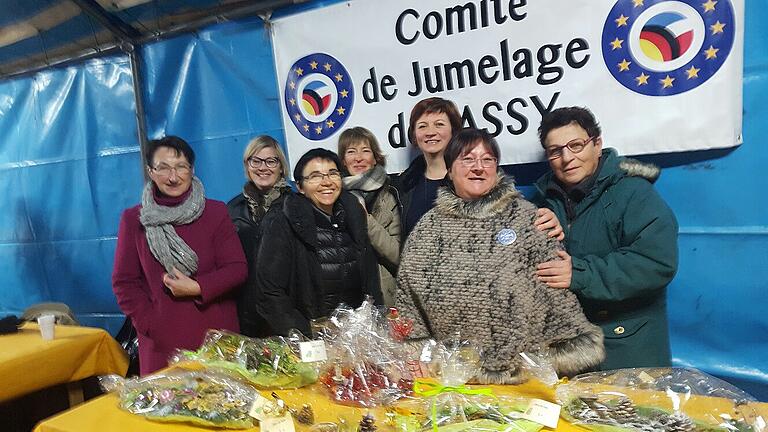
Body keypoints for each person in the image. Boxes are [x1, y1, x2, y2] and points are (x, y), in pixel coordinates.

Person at [396, 128, 604, 384]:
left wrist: (557, 352)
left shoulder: (529, 218)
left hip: (525, 375)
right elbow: (407, 294)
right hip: (453, 376)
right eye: (467, 159)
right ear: (450, 170)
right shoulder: (428, 228)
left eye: (487, 159)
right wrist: (417, 351)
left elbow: (555, 292)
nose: (478, 167)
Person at [533, 106, 678, 370]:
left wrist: (578, 274)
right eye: (556, 151)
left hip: (627, 349)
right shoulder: (543, 202)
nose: (567, 158)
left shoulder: (634, 193)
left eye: (576, 145)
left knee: (632, 411)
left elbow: (655, 262)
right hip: (568, 348)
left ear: (597, 144)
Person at [112, 136, 247, 375]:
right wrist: (151, 324)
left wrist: (198, 288)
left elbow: (237, 269)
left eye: (180, 167)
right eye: (163, 168)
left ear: (192, 170)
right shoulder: (135, 219)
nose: (173, 177)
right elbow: (125, 282)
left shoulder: (215, 212)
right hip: (162, 345)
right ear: (150, 172)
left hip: (216, 338)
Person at [251, 148, 383, 337]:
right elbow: (269, 293)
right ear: (300, 187)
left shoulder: (354, 214)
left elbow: (370, 277)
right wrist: (306, 336)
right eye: (315, 176)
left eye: (332, 173)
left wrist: (375, 324)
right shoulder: (282, 221)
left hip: (357, 335)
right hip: (310, 338)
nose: (327, 182)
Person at [396, 97, 563, 242]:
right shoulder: (402, 186)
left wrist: (544, 220)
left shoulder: (479, 179)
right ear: (414, 135)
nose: (430, 132)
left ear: (454, 131)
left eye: (439, 124)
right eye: (422, 126)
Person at [226, 135, 292, 336]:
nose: (263, 167)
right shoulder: (231, 210)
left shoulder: (296, 206)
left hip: (287, 311)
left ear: (281, 166)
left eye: (271, 161)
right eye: (256, 161)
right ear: (247, 166)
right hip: (246, 314)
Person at [338, 127, 401, 306]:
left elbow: (398, 255)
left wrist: (366, 219)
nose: (358, 158)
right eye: (351, 152)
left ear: (375, 159)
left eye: (365, 151)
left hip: (387, 297)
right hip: (348, 300)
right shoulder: (332, 197)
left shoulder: (391, 195)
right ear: (343, 160)